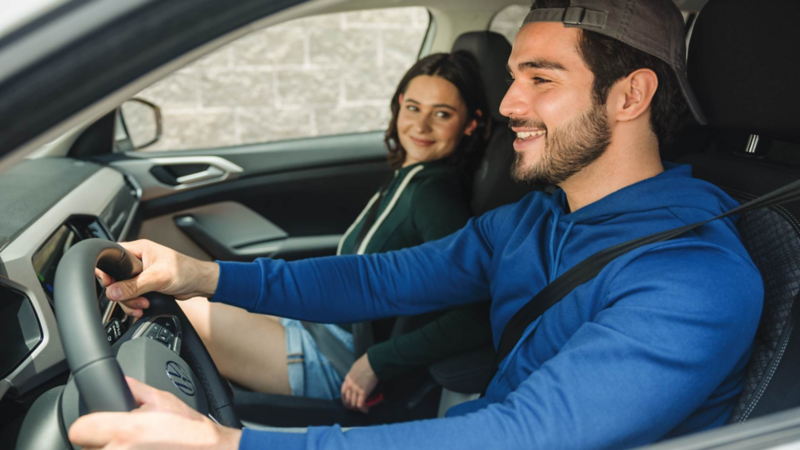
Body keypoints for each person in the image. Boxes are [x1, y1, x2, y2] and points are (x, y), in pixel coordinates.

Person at [69, 0, 764, 449]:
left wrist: (231, 445)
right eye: (514, 74)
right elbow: (384, 280)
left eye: (542, 79)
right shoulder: (538, 216)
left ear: (631, 95)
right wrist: (200, 275)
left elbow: (528, 434)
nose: (511, 102)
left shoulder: (693, 275)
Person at [146, 51, 495, 410]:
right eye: (414, 108)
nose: (421, 127)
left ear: (471, 123)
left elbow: (476, 313)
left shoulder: (433, 194)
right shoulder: (410, 177)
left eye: (442, 114)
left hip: (340, 360)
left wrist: (379, 361)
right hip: (322, 326)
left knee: (172, 311)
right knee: (183, 301)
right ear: (400, 104)